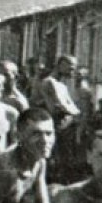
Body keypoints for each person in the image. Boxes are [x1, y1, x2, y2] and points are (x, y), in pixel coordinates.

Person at [40, 55, 83, 184]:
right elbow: (57, 106)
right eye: (70, 68)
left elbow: (72, 106)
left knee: (65, 162)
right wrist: (73, 112)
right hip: (52, 127)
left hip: (64, 128)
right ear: (60, 65)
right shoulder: (49, 82)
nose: (72, 72)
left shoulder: (62, 86)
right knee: (50, 160)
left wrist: (72, 111)